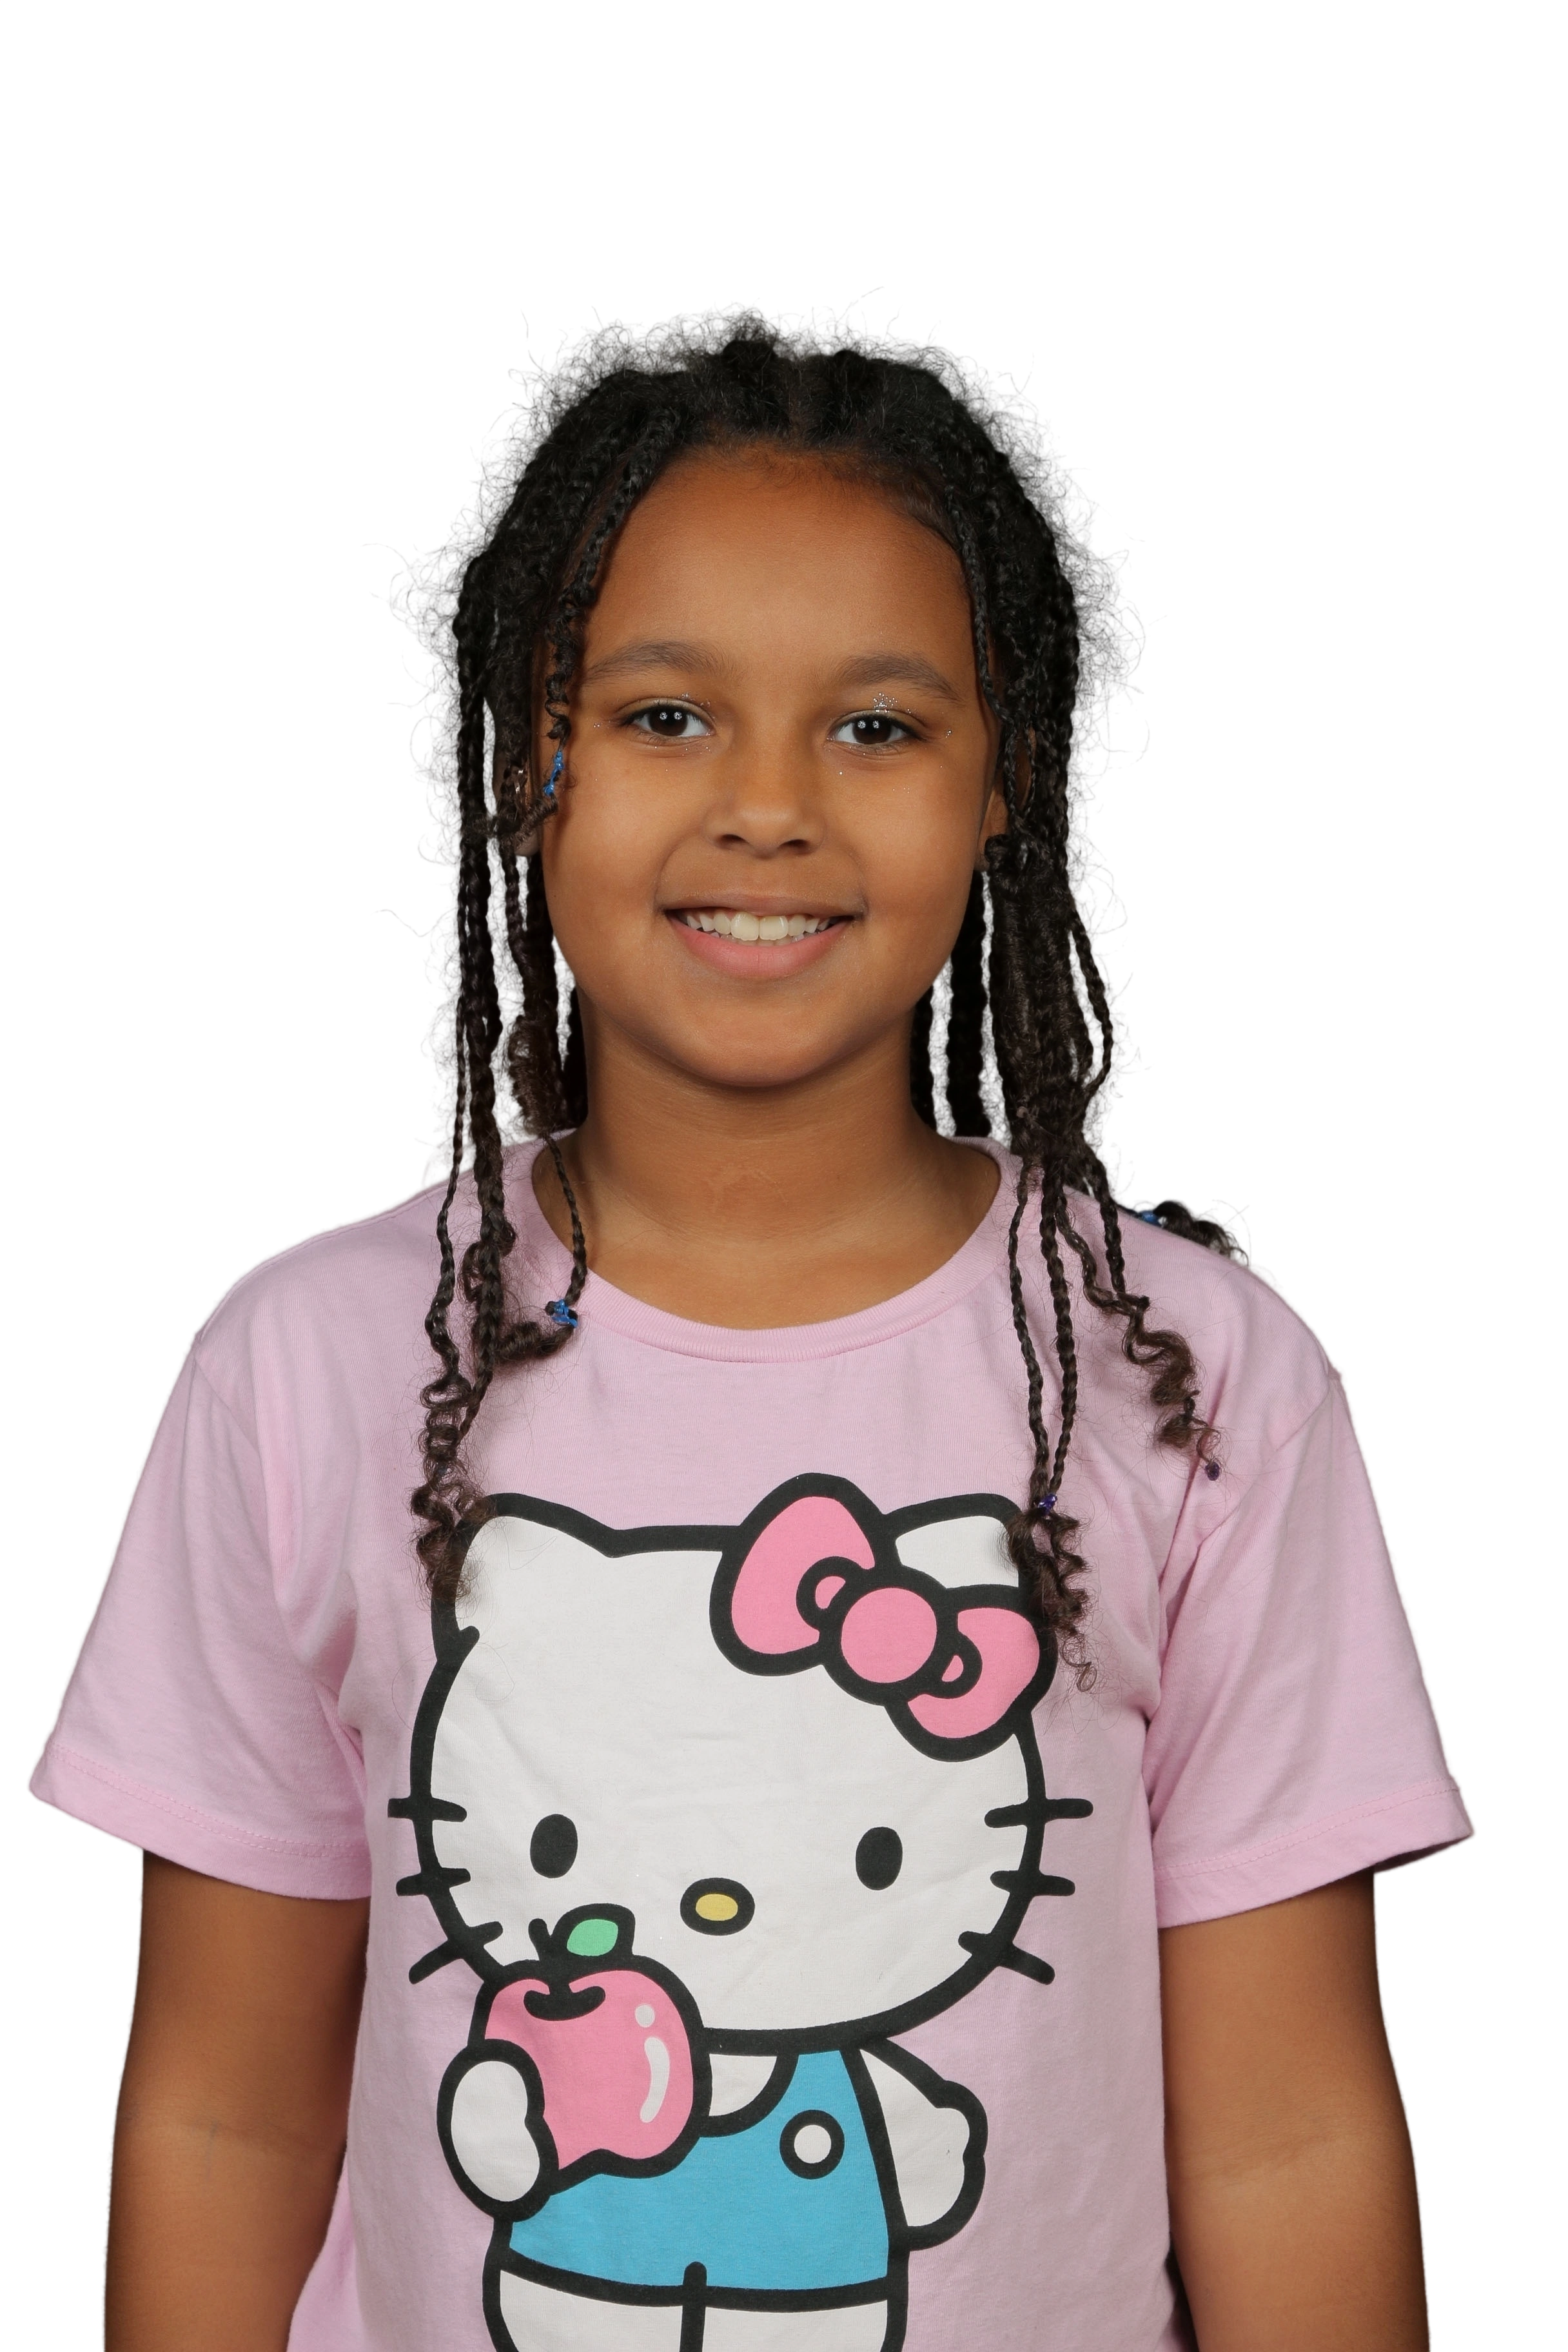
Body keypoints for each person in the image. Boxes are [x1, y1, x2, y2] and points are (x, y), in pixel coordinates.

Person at [28, 299, 1473, 2352]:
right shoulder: (309, 1364)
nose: (769, 806)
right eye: (663, 716)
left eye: (877, 727)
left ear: (1008, 782)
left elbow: (1285, 2135)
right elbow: (222, 2116)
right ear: (523, 765)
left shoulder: (1201, 1381)